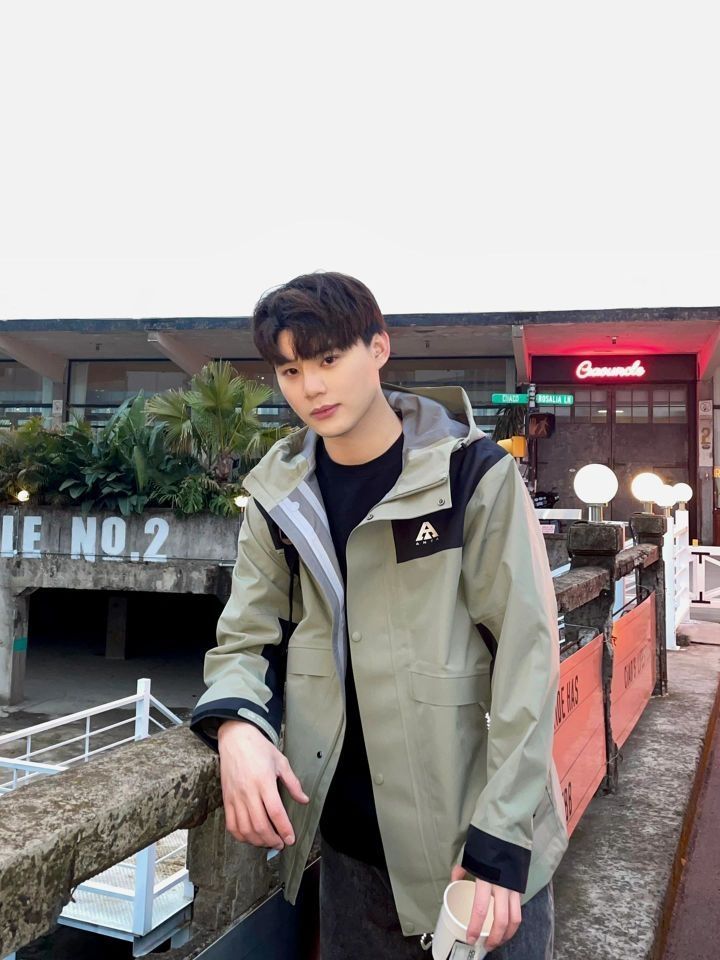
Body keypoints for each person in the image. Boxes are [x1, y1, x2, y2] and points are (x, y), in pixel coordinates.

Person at [190, 272, 568, 959]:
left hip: (475, 856)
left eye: (328, 359)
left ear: (379, 348)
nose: (312, 386)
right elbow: (246, 635)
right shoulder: (280, 496)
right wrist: (236, 726)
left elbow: (528, 654)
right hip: (351, 858)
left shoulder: (470, 476)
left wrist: (502, 839)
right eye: (291, 370)